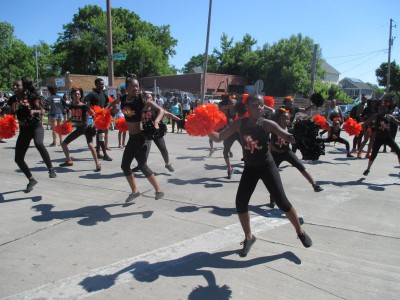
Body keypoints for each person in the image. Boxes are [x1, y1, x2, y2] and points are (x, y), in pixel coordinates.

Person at [208, 94, 312, 257]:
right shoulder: (239, 124)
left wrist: (297, 137)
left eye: (261, 105)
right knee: (240, 203)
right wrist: (205, 128)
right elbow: (220, 137)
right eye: (255, 105)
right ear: (247, 107)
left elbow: (287, 137)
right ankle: (249, 236)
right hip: (250, 168)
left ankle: (300, 231)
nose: (259, 108)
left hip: (266, 166)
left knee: (282, 202)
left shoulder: (267, 124)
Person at [107, 74, 164, 202]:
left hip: (140, 137)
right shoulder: (123, 99)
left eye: (137, 86)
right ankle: (140, 191)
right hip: (132, 138)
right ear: (127, 88)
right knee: (134, 166)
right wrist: (106, 110)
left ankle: (152, 190)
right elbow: (113, 103)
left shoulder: (142, 100)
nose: (136, 88)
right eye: (132, 86)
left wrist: (156, 122)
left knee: (134, 165)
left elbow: (161, 110)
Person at [7, 77, 56, 192]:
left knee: (38, 143)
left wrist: (34, 111)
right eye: (13, 85)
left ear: (23, 86)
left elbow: (43, 110)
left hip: (36, 126)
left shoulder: (31, 96)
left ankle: (51, 169)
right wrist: (10, 115)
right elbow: (11, 114)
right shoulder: (12, 99)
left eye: (17, 85)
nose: (14, 87)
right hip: (24, 130)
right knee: (18, 159)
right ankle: (31, 179)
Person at [268, 108, 323, 208]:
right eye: (284, 119)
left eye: (288, 119)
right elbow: (270, 144)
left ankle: (315, 185)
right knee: (273, 178)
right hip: (275, 154)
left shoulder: (291, 130)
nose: (287, 121)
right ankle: (272, 199)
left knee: (300, 166)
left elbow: (295, 141)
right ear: (279, 119)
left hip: (286, 152)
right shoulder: (274, 129)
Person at [132, 91, 180, 173]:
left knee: (163, 148)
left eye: (151, 97)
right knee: (144, 151)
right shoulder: (140, 109)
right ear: (144, 99)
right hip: (146, 133)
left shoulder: (156, 109)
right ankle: (141, 165)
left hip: (157, 131)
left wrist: (179, 119)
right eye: (148, 97)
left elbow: (168, 114)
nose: (151, 99)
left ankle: (167, 164)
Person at [59, 86, 101, 172]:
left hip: (85, 128)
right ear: (72, 95)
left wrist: (93, 125)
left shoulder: (84, 106)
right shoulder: (71, 105)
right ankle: (69, 160)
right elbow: (74, 116)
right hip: (78, 129)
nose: (77, 95)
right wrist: (67, 122)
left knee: (90, 145)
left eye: (78, 94)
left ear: (80, 95)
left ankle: (97, 164)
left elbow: (94, 114)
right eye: (75, 94)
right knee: (64, 144)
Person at [362, 103, 400, 176]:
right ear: (378, 110)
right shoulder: (376, 116)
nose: (382, 110)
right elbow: (367, 122)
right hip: (378, 138)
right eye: (380, 109)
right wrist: (360, 124)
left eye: (383, 108)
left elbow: (397, 123)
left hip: (388, 138)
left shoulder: (390, 117)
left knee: (398, 152)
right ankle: (368, 169)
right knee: (373, 154)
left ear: (386, 109)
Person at [84, 78, 112, 161]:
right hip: (97, 118)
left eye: (103, 84)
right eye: (100, 84)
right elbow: (84, 101)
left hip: (103, 117)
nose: (102, 85)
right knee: (101, 134)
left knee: (100, 134)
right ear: (96, 84)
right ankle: (105, 154)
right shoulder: (92, 94)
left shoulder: (103, 94)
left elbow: (109, 103)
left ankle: (98, 152)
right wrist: (90, 109)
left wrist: (107, 110)